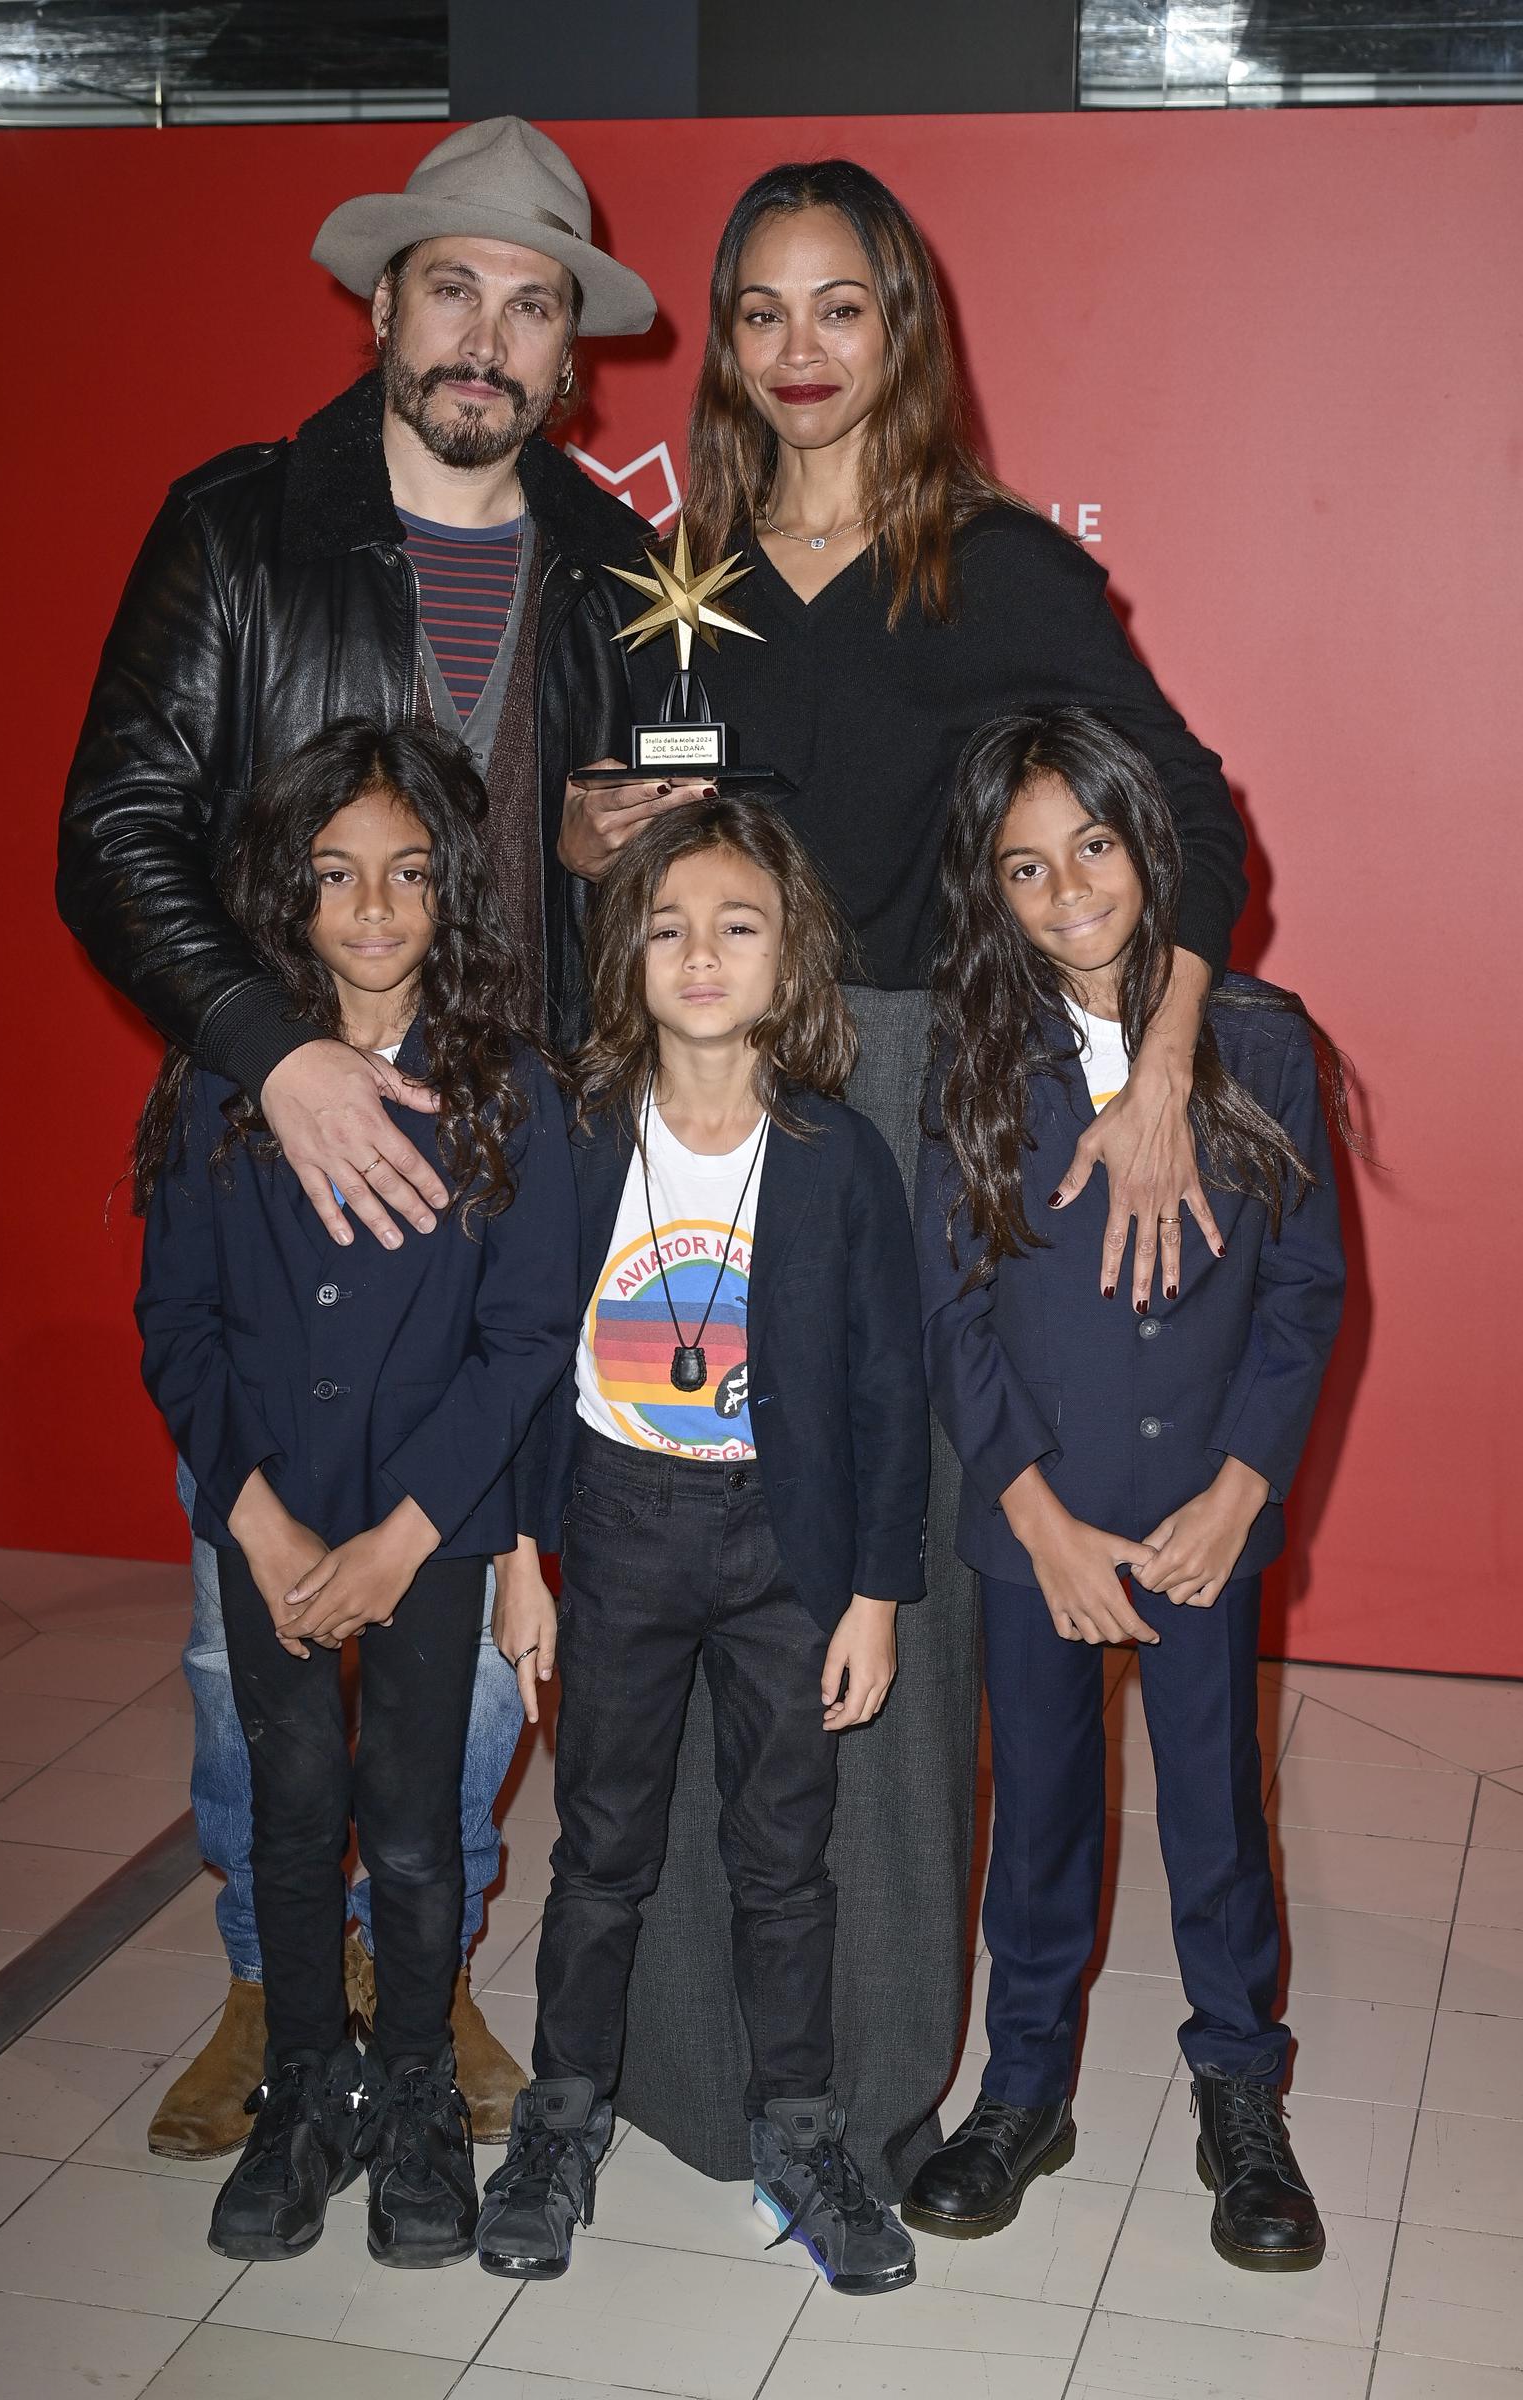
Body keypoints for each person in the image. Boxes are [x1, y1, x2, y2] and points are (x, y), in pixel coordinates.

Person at [563, 157, 1252, 2194]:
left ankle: (860, 2082)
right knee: (674, 1573)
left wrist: (1156, 1072)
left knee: (891, 1597)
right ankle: (680, 2069)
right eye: (758, 312)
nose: (795, 352)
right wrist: (600, 841)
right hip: (696, 1100)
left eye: (836, 309)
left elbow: (1194, 825)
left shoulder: (998, 571)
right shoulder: (660, 576)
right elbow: (613, 851)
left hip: (906, 1094)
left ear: (901, 328)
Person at [57, 115, 662, 2154]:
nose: (485, 333)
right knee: (258, 1624)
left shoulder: (610, 566)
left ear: (569, 347)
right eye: (451, 285)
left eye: (529, 300)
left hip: (504, 1178)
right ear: (379, 301)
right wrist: (265, 1052)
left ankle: (425, 1971)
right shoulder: (240, 528)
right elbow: (114, 833)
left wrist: (599, 876)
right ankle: (264, 1977)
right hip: (273, 1156)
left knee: (475, 1584)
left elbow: (652, 895)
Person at [903, 708, 1350, 2272]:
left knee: (1219, 1819)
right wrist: (1029, 1509)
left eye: (1091, 846)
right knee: (1033, 1823)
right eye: (1026, 866)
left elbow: (1303, 1296)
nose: (1067, 887)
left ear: (1151, 847)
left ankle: (1241, 2087)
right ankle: (1022, 2090)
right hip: (1043, 1536)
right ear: (994, 890)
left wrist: (1242, 1488)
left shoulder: (1268, 1042)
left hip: (1203, 1528)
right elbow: (950, 1308)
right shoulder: (970, 1057)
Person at [133, 720, 577, 2267]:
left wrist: (405, 1540)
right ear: (286, 895)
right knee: (286, 1807)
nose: (373, 909)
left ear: (451, 892)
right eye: (335, 876)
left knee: (408, 1819)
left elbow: (527, 1341)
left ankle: (411, 2097)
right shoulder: (219, 1082)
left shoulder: (513, 1090)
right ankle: (303, 2091)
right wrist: (253, 1522)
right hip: (272, 1528)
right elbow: (175, 1326)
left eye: (404, 875)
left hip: (426, 1530)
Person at [475, 799, 929, 2292]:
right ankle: (560, 2120)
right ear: (630, 959)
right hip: (615, 1524)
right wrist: (519, 1557)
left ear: (788, 955)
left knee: (783, 1859)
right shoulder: (585, 1132)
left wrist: (874, 1587)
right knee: (600, 1849)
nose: (701, 953)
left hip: (785, 1550)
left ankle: (800, 2132)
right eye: (667, 927)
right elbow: (531, 1355)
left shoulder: (837, 1159)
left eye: (737, 925)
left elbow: (884, 1387)